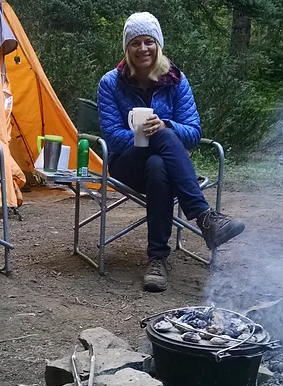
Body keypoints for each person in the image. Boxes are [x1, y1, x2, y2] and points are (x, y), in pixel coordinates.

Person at [97, 12, 246, 292]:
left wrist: (167, 125)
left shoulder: (175, 80)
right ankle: (204, 217)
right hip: (126, 165)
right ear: (127, 49)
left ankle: (157, 260)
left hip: (166, 167)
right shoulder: (110, 83)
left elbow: (193, 133)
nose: (143, 49)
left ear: (158, 45)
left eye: (149, 42)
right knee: (160, 138)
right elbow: (113, 138)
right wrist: (151, 132)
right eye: (135, 43)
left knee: (158, 165)